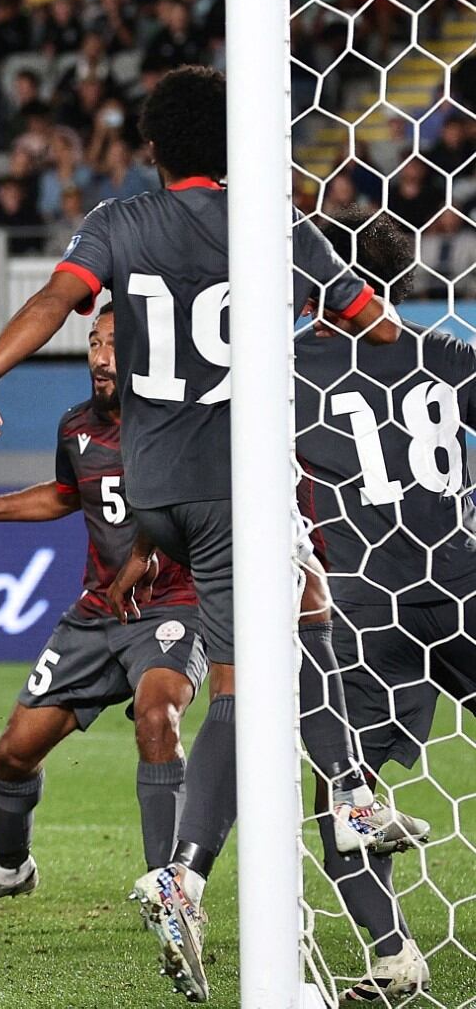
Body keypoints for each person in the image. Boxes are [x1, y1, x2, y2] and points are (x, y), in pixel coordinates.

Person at [0, 66, 415, 1003]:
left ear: (152, 149)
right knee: (256, 677)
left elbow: (49, 305)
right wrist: (370, 320)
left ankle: (325, 803)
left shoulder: (117, 223)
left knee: (302, 611)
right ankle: (229, 856)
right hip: (237, 482)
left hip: (154, 496)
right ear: (236, 145)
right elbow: (375, 323)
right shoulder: (277, 224)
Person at [0, 304, 203, 910]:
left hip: (174, 605)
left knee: (157, 720)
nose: (100, 358)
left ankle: (171, 896)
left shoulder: (181, 421)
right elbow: (63, 495)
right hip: (98, 614)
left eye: (115, 346)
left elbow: (189, 504)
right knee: (14, 752)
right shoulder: (77, 426)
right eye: (94, 343)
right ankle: (10, 868)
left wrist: (151, 555)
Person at [293, 210, 471, 1003]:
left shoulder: (290, 367)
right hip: (462, 585)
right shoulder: (443, 353)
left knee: (344, 794)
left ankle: (396, 951)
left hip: (366, 607)